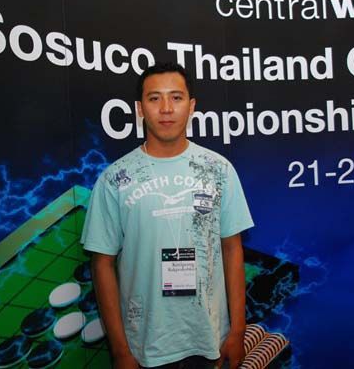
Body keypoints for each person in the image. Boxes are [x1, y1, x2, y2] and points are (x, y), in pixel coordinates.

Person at [81, 62, 254, 368]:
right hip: (145, 347)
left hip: (209, 341)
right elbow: (102, 264)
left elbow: (232, 248)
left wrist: (238, 332)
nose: (166, 108)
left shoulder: (219, 170)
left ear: (192, 106)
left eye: (176, 97)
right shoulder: (115, 179)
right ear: (140, 109)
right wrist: (120, 351)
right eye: (154, 98)